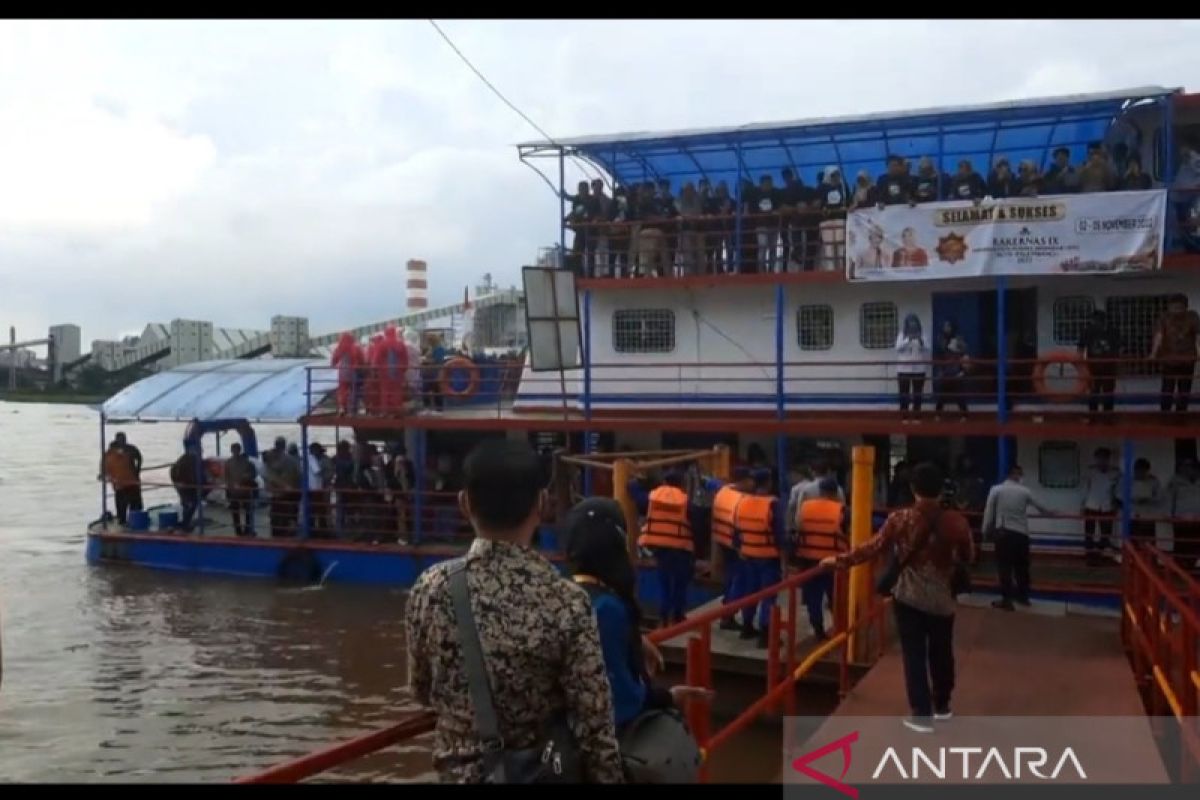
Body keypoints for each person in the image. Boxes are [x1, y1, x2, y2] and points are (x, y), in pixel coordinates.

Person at [405, 439, 626, 783]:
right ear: (542, 504)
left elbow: (421, 689)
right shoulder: (567, 600)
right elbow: (594, 723)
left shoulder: (430, 588)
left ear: (464, 504)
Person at [821, 463, 973, 733]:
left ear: (913, 489)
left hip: (908, 597)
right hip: (943, 600)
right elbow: (968, 557)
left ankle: (921, 714)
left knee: (914, 654)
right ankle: (943, 705)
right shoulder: (957, 521)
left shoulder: (900, 519)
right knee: (942, 652)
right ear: (941, 490)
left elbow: (873, 547)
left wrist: (841, 561)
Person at [563, 497, 711, 738]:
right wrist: (668, 697)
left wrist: (634, 638)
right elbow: (621, 700)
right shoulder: (608, 608)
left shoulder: (561, 594)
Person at [981, 465, 1053, 611]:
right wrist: (1054, 513)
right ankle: (1023, 597)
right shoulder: (1025, 491)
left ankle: (1007, 600)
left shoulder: (997, 489)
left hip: (1004, 533)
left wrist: (985, 531)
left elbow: (989, 513)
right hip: (1021, 534)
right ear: (1017, 475)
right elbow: (1042, 507)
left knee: (1004, 567)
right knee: (1022, 567)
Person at [734, 469, 787, 647]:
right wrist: (785, 559)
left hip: (748, 555)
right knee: (768, 596)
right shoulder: (773, 505)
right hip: (768, 558)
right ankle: (766, 634)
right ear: (769, 482)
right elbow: (780, 535)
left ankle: (747, 626)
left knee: (750, 592)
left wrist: (740, 548)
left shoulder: (742, 502)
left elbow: (736, 531)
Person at [636, 471, 695, 626]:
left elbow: (635, 492)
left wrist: (636, 479)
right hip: (681, 547)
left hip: (659, 546)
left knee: (664, 584)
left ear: (664, 481)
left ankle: (663, 618)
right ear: (681, 483)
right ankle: (678, 616)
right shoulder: (685, 500)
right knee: (680, 583)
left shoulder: (652, 497)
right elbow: (695, 519)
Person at [793, 477, 846, 640]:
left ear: (820, 491)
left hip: (809, 561)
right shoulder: (841, 510)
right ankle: (841, 629)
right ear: (835, 492)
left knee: (813, 599)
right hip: (834, 562)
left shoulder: (805, 508)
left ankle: (818, 630)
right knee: (836, 597)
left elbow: (797, 528)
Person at [706, 466, 756, 631]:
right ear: (744, 481)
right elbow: (739, 526)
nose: (753, 483)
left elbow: (713, 484)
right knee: (739, 582)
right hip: (736, 547)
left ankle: (727, 612)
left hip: (722, 541)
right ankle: (728, 616)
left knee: (730, 581)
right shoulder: (741, 500)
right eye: (750, 480)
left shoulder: (724, 491)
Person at [1149, 294, 1200, 415]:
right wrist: (1153, 353)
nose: (1177, 310)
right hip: (1169, 359)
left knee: (1184, 390)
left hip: (1187, 359)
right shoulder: (1164, 317)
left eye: (1179, 307)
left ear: (1185, 307)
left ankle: (1181, 415)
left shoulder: (1192, 317)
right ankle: (1165, 414)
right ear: (1169, 307)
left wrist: (1199, 353)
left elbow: (1198, 336)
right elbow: (1159, 336)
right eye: (1174, 307)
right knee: (1167, 389)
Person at [1077, 309, 1121, 420]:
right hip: (1099, 366)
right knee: (1100, 392)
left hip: (1102, 366)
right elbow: (1080, 349)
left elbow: (1080, 349)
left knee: (1099, 392)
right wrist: (1081, 365)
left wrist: (1080, 365)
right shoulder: (1089, 331)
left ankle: (1097, 416)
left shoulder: (1112, 331)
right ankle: (1104, 416)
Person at [1081, 447, 1121, 565]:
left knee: (1106, 533)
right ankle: (1089, 555)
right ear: (1096, 458)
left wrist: (1117, 503)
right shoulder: (1090, 471)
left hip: (1107, 506)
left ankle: (1100, 553)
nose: (1102, 460)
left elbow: (1118, 489)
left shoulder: (1116, 472)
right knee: (1089, 533)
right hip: (1091, 505)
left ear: (1109, 459)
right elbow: (1085, 489)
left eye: (1105, 458)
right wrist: (1082, 505)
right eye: (1100, 458)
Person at [895, 314, 929, 422]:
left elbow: (928, 348)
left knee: (917, 394)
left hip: (919, 369)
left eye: (914, 323)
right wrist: (907, 340)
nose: (912, 326)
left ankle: (916, 416)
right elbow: (898, 348)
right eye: (910, 323)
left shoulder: (923, 335)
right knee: (904, 394)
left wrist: (920, 340)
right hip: (903, 369)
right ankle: (904, 416)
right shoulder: (901, 335)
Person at [1168, 459, 1200, 570]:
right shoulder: (1175, 480)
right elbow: (1169, 498)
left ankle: (1194, 566)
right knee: (1181, 543)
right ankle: (1179, 567)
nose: (1185, 469)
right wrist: (1169, 514)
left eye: (1189, 467)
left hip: (1198, 519)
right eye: (1184, 466)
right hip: (1181, 518)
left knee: (1196, 543)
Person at [934, 320, 970, 419]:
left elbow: (964, 354)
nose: (946, 328)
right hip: (945, 371)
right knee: (942, 395)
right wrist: (940, 371)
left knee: (959, 395)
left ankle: (965, 415)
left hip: (956, 371)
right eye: (945, 326)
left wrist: (963, 371)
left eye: (948, 326)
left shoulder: (958, 339)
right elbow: (938, 356)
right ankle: (937, 415)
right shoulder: (940, 339)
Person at [103, 439, 142, 526]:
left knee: (126, 505)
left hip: (125, 484)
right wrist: (137, 471)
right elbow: (139, 458)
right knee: (131, 505)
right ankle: (132, 520)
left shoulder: (109, 454)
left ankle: (126, 520)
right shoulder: (127, 450)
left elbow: (139, 458)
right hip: (126, 484)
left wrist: (137, 470)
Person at [224, 442, 258, 536]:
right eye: (234, 450)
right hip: (238, 491)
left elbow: (253, 474)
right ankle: (241, 531)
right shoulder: (232, 463)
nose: (235, 452)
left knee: (245, 512)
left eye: (236, 450)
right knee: (240, 512)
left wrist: (246, 478)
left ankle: (244, 530)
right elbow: (226, 478)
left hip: (243, 491)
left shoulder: (245, 462)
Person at [170, 444, 204, 532]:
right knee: (191, 503)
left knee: (189, 504)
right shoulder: (191, 460)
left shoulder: (185, 458)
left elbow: (173, 470)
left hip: (185, 485)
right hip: (187, 485)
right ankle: (185, 524)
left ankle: (185, 523)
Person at [1130, 458, 1162, 541]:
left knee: (1148, 541)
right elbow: (1120, 495)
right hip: (1132, 515)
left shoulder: (1154, 481)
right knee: (1132, 541)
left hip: (1148, 515)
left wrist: (1147, 499)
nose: (1140, 473)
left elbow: (1159, 497)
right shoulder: (1128, 480)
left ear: (1147, 470)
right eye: (1138, 470)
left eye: (1143, 471)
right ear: (1135, 470)